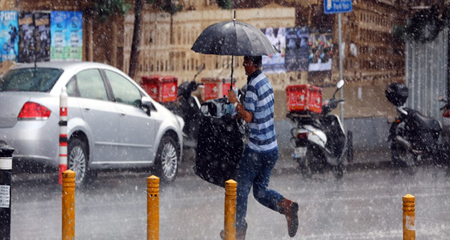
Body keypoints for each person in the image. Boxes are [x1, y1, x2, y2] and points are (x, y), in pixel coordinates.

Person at [221, 55, 299, 239]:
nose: (243, 65)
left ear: (252, 64)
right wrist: (241, 112)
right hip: (271, 148)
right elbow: (257, 113)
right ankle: (287, 206)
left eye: (245, 62)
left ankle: (238, 230)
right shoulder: (266, 82)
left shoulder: (253, 86)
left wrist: (234, 102)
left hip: (257, 149)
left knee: (240, 189)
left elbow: (248, 116)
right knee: (260, 191)